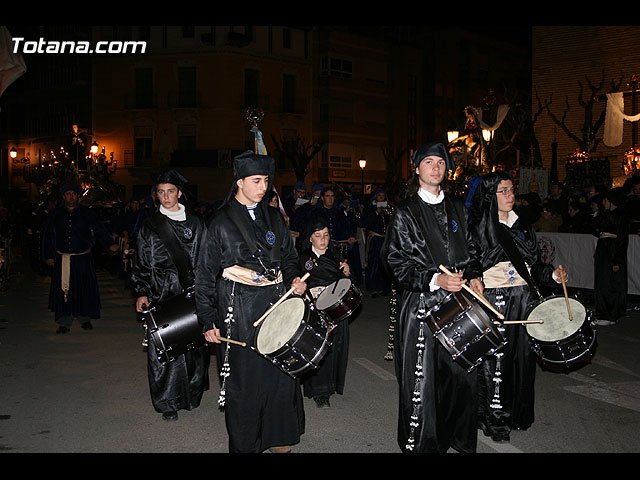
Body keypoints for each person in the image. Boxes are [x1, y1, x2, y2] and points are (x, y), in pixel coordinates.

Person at [195, 150, 308, 453]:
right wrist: (207, 320)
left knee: (279, 377)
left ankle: (278, 437)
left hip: (277, 303)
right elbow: (204, 274)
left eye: (266, 181)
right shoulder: (219, 223)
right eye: (256, 181)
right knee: (245, 384)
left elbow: (289, 257)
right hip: (239, 311)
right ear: (239, 182)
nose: (263, 187)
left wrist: (294, 278)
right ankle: (246, 444)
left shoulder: (274, 218)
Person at [384, 142, 484, 453]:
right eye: (429, 162)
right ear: (416, 169)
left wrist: (475, 275)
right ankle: (426, 443)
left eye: (441, 162)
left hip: (459, 301)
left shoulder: (456, 208)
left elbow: (471, 249)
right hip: (421, 305)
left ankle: (458, 437)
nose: (436, 167)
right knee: (423, 381)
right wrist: (434, 279)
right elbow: (394, 261)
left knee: (461, 374)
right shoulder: (405, 212)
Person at [470, 171, 567, 443]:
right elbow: (470, 261)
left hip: (524, 297)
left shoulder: (523, 225)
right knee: (495, 360)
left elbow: (533, 266)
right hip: (494, 296)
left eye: (512, 190)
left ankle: (517, 416)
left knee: (523, 358)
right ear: (490, 195)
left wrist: (552, 276)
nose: (510, 195)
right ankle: (494, 420)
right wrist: (474, 276)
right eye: (503, 191)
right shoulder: (479, 226)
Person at [132, 170, 210, 422]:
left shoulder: (196, 223)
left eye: (171, 191)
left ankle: (190, 396)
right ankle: (167, 402)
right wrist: (141, 291)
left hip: (191, 292)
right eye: (161, 192)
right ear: (156, 195)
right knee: (163, 349)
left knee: (193, 348)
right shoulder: (149, 225)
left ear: (179, 193)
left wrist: (205, 292)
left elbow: (205, 260)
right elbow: (141, 261)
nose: (166, 197)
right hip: (160, 292)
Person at [41, 184, 119, 333]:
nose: (71, 197)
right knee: (64, 290)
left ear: (78, 196)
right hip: (62, 259)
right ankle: (64, 321)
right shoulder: (55, 214)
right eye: (68, 194)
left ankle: (85, 318)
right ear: (64, 197)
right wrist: (47, 256)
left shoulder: (88, 214)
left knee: (84, 289)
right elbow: (47, 236)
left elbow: (100, 230)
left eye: (74, 194)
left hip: (83, 258)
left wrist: (110, 244)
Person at [299, 216, 351, 408]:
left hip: (334, 308)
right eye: (318, 235)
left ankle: (329, 388)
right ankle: (317, 390)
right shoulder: (303, 257)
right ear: (310, 238)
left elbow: (346, 284)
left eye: (326, 235)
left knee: (334, 347)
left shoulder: (336, 256)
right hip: (314, 308)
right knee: (316, 348)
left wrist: (346, 272)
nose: (323, 239)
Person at [594, 188, 629, 326]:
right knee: (602, 281)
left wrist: (617, 260)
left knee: (610, 282)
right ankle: (604, 311)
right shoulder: (606, 214)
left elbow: (622, 239)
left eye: (605, 200)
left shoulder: (620, 216)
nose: (603, 203)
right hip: (604, 249)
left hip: (612, 252)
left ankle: (610, 314)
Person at [362, 187, 392, 297]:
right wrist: (376, 212)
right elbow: (365, 222)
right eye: (379, 196)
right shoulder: (370, 208)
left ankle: (384, 287)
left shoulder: (388, 208)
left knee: (385, 263)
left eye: (382, 196)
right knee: (374, 263)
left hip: (385, 239)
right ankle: (373, 288)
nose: (381, 198)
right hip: (375, 240)